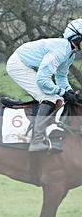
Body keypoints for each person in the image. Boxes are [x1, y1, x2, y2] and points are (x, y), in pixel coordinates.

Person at [6, 18, 82, 152]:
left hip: (29, 65)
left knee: (61, 98)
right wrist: (62, 92)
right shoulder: (60, 51)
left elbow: (61, 77)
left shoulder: (70, 53)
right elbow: (42, 81)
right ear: (75, 38)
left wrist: (69, 91)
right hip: (18, 64)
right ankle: (37, 140)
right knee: (51, 98)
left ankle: (55, 132)